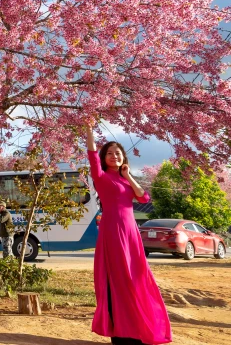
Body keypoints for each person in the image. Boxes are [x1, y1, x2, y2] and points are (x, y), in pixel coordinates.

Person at [85, 124, 171, 345]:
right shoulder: (101, 176)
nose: (114, 156)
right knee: (119, 278)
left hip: (131, 231)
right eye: (110, 154)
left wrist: (128, 175)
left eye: (118, 153)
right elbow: (92, 154)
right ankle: (121, 330)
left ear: (123, 157)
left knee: (137, 277)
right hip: (112, 231)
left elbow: (143, 198)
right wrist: (88, 129)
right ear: (104, 158)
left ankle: (138, 325)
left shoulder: (125, 178)